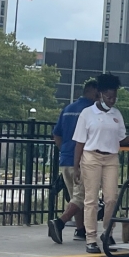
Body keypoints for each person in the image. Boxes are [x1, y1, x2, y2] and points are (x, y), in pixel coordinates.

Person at [74, 73, 129, 254]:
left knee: (111, 198)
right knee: (91, 199)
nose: (112, 100)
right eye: (109, 96)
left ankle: (107, 232)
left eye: (115, 96)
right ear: (100, 94)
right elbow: (79, 142)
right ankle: (91, 238)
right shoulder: (87, 113)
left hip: (111, 157)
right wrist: (76, 166)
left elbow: (121, 140)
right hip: (91, 156)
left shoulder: (117, 114)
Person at [47, 78, 99, 244]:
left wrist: (64, 150)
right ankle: (59, 222)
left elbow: (57, 134)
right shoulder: (91, 111)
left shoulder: (68, 109)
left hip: (66, 159)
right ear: (93, 92)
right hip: (83, 159)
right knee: (81, 196)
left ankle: (80, 230)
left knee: (75, 197)